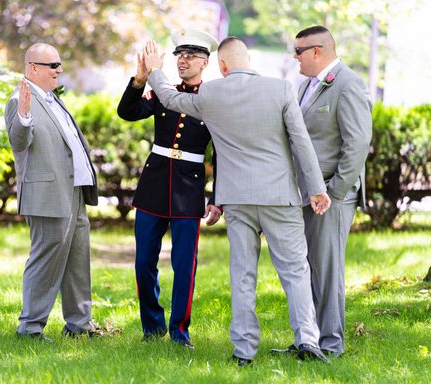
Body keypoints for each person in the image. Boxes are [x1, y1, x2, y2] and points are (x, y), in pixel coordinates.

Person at [144, 37, 331, 365]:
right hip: (279, 197)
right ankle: (308, 341)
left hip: (237, 199)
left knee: (243, 273)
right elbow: (301, 143)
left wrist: (155, 71)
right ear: (249, 60)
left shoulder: (211, 94)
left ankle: (244, 351)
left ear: (223, 66)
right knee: (295, 272)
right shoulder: (282, 89)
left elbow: (170, 98)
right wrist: (316, 188)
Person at [117, 28, 222, 349]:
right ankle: (152, 326)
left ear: (205, 62)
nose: (183, 61)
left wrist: (218, 199)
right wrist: (139, 80)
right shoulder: (163, 92)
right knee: (143, 261)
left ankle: (179, 331)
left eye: (190, 56)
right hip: (154, 186)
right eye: (179, 55)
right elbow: (127, 112)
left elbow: (222, 154)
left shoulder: (214, 99)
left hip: (189, 190)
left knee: (184, 264)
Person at [283, 25, 371, 357]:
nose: (295, 58)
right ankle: (307, 340)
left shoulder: (348, 84)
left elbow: (358, 144)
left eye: (299, 51)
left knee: (327, 270)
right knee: (306, 268)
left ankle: (331, 345)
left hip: (332, 197)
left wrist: (334, 193)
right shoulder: (306, 85)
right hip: (306, 194)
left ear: (317, 50)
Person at [4, 43, 98, 342]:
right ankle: (30, 328)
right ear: (33, 68)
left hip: (74, 191)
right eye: (52, 65)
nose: (59, 70)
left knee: (77, 260)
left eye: (59, 64)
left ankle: (79, 326)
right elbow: (18, 142)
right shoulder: (21, 99)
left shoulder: (53, 98)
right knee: (45, 260)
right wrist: (24, 115)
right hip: (47, 194)